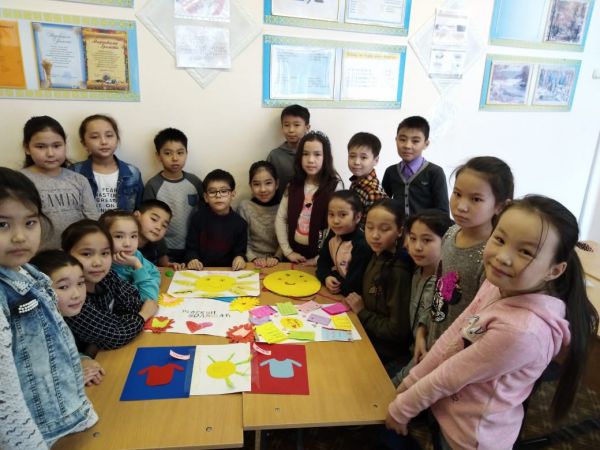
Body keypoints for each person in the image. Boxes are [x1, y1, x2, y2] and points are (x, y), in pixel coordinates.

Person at [386, 195, 599, 450]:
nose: (502, 257)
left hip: (469, 437)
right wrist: (409, 382)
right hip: (448, 411)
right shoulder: (497, 284)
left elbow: (449, 377)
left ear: (554, 270)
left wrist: (402, 409)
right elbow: (454, 336)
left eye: (525, 252)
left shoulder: (522, 332)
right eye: (499, 239)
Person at [0, 168, 97, 449]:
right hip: (31, 437)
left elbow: (50, 343)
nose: (20, 237)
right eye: (2, 224)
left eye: (30, 222)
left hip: (64, 419)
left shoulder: (31, 274)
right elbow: (6, 401)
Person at [427, 156, 514, 348]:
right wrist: (423, 329)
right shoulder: (451, 233)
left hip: (457, 352)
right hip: (433, 340)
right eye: (457, 193)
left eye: (476, 199)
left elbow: (481, 322)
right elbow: (438, 287)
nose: (461, 206)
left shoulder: (492, 256)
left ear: (500, 206)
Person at [61, 219, 158, 351]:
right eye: (86, 254)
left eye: (105, 253)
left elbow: (134, 303)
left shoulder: (107, 277)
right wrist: (143, 315)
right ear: (66, 255)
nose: (98, 263)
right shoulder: (72, 297)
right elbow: (115, 336)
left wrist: (116, 325)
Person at [345, 199, 412, 373]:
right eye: (369, 227)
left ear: (400, 231)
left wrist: (362, 312)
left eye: (384, 229)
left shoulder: (399, 271)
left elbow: (397, 331)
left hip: (383, 353)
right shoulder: (375, 254)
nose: (374, 235)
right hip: (366, 334)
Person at [391, 209, 452, 386]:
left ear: (447, 241)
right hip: (406, 353)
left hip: (423, 367)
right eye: (413, 238)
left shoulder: (447, 282)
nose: (417, 247)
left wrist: (399, 381)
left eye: (427, 240)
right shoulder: (416, 271)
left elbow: (429, 349)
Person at [20, 115, 99, 249]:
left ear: (65, 145)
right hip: (37, 256)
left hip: (75, 254)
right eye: (41, 147)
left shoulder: (79, 180)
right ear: (27, 148)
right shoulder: (19, 181)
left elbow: (92, 221)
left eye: (57, 146)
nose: (50, 153)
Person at [31, 249, 106, 386]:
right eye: (63, 287)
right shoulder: (31, 331)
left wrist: (82, 359)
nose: (77, 294)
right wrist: (70, 376)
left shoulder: (60, 317)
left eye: (80, 283)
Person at [275, 130, 342, 265]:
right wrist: (288, 252)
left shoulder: (335, 187)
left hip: (321, 258)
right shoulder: (293, 185)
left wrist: (319, 259)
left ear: (326, 157)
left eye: (317, 154)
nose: (311, 160)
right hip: (293, 255)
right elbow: (281, 218)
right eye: (305, 154)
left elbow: (336, 227)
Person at [143, 128, 203, 264]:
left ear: (186, 154)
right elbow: (148, 224)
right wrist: (162, 254)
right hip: (164, 251)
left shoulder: (195, 182)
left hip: (193, 250)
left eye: (180, 153)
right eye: (168, 153)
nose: (175, 158)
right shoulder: (153, 185)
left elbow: (204, 214)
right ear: (158, 156)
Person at [71, 114, 144, 212]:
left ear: (117, 139)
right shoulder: (74, 172)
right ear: (84, 144)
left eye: (109, 135)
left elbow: (139, 209)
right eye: (95, 137)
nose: (104, 141)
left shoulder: (133, 172)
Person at [382, 116, 449, 217]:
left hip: (425, 227)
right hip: (398, 226)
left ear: (426, 144)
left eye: (415, 141)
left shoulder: (435, 172)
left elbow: (443, 212)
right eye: (402, 139)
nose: (407, 146)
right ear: (396, 140)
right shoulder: (391, 171)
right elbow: (383, 204)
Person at [185, 169, 247, 270]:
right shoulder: (197, 218)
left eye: (224, 191)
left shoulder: (240, 224)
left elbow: (240, 251)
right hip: (201, 271)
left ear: (232, 194)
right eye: (212, 192)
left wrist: (239, 258)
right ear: (206, 197)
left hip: (229, 272)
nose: (218, 195)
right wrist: (192, 259)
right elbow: (191, 248)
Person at [316, 190, 371, 296]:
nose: (335, 221)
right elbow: (322, 263)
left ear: (357, 217)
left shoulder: (362, 245)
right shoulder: (333, 234)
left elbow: (353, 286)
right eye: (331, 214)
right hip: (336, 293)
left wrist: (333, 275)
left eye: (343, 215)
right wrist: (326, 277)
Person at [99, 210, 161, 302]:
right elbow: (148, 299)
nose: (128, 244)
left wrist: (137, 265)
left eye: (133, 236)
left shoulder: (135, 255)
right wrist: (137, 266)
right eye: (119, 236)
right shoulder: (103, 270)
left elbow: (155, 273)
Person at [237, 161, 282, 268]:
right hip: (251, 262)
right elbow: (242, 240)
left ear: (277, 184)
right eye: (256, 184)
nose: (262, 189)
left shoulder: (283, 208)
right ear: (250, 186)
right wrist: (254, 258)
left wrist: (277, 257)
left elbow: (285, 239)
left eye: (268, 183)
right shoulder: (244, 207)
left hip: (279, 262)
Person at [267, 104, 311, 197]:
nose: (291, 130)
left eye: (296, 125)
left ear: (307, 128)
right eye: (286, 125)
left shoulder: (314, 155)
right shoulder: (275, 156)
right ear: (282, 127)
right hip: (280, 203)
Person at [347, 132, 387, 224]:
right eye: (352, 156)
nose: (356, 162)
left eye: (363, 157)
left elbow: (372, 227)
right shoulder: (357, 181)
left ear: (376, 160)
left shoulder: (373, 192)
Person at [134, 199, 183, 269]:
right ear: (136, 216)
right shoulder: (122, 244)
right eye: (154, 219)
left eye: (164, 225)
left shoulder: (158, 241)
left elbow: (164, 264)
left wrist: (171, 266)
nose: (159, 227)